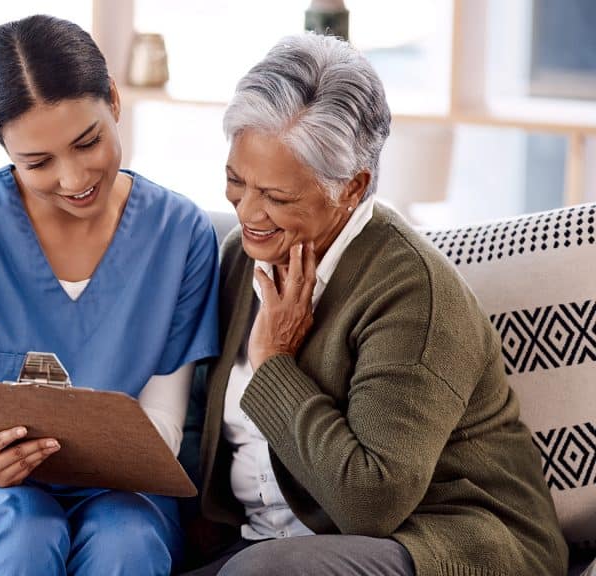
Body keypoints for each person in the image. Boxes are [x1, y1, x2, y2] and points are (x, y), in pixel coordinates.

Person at [189, 33, 568, 576]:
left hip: (447, 543)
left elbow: (371, 503)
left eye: (276, 196)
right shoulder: (241, 257)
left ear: (351, 186)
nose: (248, 211)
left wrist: (275, 366)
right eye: (234, 180)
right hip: (274, 543)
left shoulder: (412, 293)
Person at [0, 14, 220, 576]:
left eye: (88, 141)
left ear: (115, 101)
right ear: (4, 148)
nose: (75, 179)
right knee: (22, 527)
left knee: (127, 542)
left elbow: (164, 424)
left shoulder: (179, 235)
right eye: (38, 163)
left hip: (118, 497)